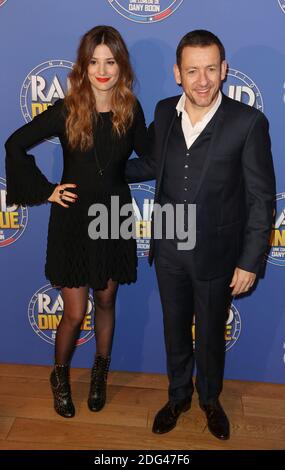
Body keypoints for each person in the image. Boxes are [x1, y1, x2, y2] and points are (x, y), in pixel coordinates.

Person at [125, 30, 275, 440]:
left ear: (224, 70)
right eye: (193, 70)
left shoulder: (248, 124)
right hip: (169, 250)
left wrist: (249, 260)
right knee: (174, 329)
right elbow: (152, 163)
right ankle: (177, 398)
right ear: (178, 73)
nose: (203, 79)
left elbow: (262, 200)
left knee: (209, 334)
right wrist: (100, 170)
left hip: (218, 255)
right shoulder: (161, 112)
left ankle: (209, 398)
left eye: (211, 68)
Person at [5, 25, 148, 418]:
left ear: (121, 66)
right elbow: (14, 144)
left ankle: (100, 372)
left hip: (114, 216)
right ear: (83, 67)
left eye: (111, 61)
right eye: (94, 61)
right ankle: (61, 375)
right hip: (72, 219)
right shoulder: (68, 109)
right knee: (73, 311)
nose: (103, 70)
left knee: (106, 298)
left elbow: (152, 158)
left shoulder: (130, 109)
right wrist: (45, 189)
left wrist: (118, 175)